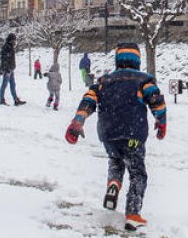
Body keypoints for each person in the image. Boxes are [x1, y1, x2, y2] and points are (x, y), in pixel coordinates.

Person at [64, 42, 166, 233]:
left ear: (117, 61)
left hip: (109, 134)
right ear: (137, 61)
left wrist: (78, 122)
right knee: (137, 173)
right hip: (133, 134)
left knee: (116, 161)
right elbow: (157, 101)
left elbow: (88, 100)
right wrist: (161, 122)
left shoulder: (103, 82)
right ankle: (133, 214)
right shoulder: (144, 80)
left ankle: (114, 184)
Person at [0, 33, 26, 106]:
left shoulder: (10, 47)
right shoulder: (6, 47)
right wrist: (6, 68)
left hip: (11, 69)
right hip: (7, 69)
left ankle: (16, 100)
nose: (15, 41)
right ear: (10, 40)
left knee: (13, 85)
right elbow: (4, 59)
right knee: (4, 85)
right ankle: (1, 100)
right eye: (14, 40)